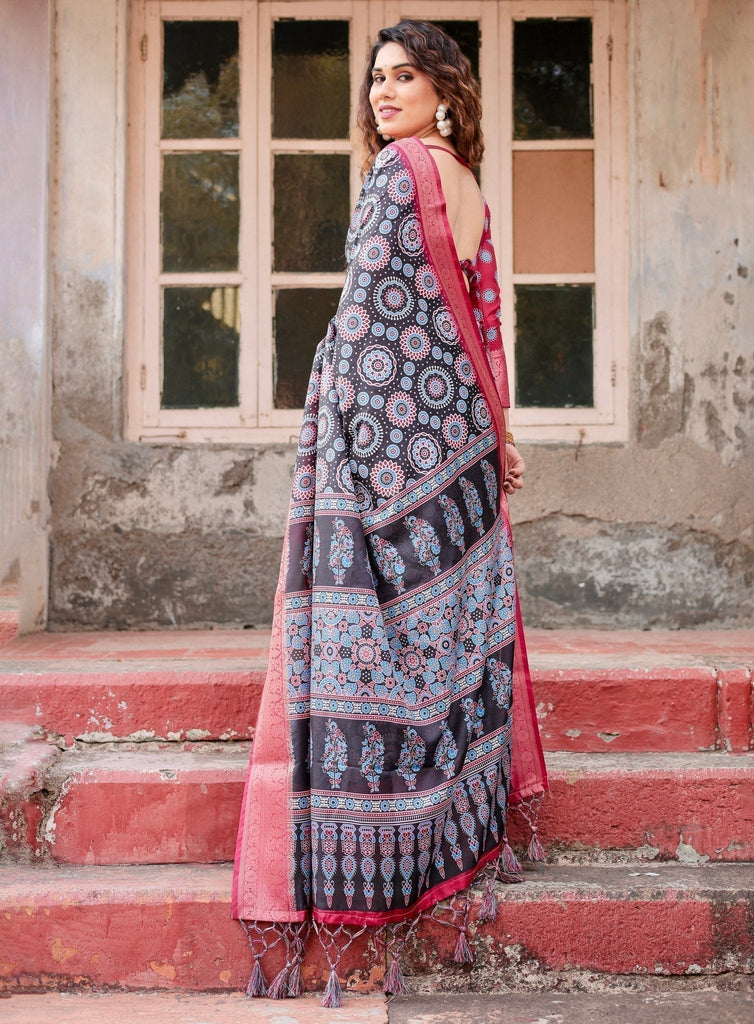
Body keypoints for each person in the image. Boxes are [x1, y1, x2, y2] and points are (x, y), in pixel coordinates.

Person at [232, 19, 547, 1006]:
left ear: (444, 90)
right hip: (456, 440)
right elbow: (486, 323)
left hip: (390, 438)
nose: (383, 91)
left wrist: (340, 425)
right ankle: (451, 819)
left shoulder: (395, 171)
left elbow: (365, 316)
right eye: (375, 78)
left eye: (405, 76)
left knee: (380, 634)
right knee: (441, 638)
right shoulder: (468, 184)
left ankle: (382, 850)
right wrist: (499, 433)